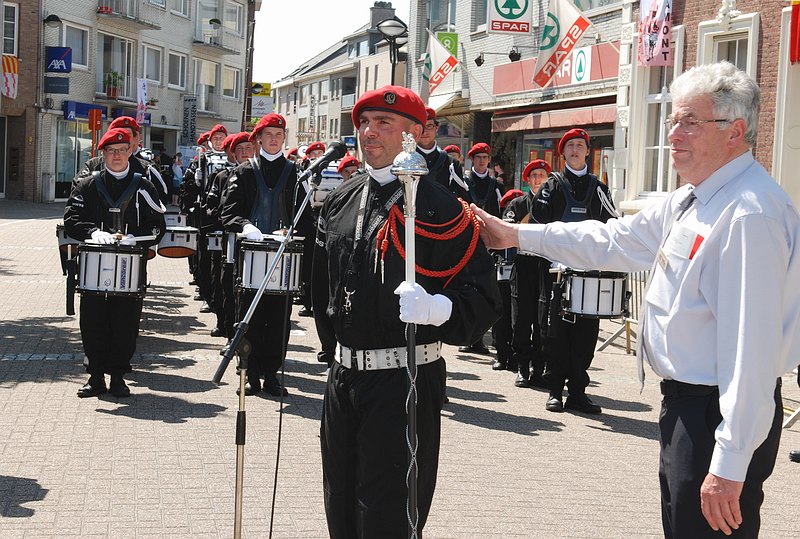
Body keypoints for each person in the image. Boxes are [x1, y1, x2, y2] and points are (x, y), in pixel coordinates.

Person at [472, 62, 799, 538]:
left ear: (736, 131)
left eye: (690, 121)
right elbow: (612, 241)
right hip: (688, 407)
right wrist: (515, 235)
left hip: (718, 415)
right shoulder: (693, 198)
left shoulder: (749, 214)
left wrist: (729, 462)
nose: (673, 133)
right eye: (671, 120)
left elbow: (752, 353)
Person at [312, 85, 501, 538]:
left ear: (414, 134)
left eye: (383, 123)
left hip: (404, 380)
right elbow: (322, 285)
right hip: (343, 376)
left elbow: (485, 300)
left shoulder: (442, 208)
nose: (368, 132)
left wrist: (438, 309)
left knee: (390, 516)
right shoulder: (340, 198)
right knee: (339, 506)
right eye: (364, 122)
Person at [64, 128, 166, 398]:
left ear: (130, 152)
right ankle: (95, 377)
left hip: (129, 269)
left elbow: (158, 228)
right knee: (93, 322)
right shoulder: (88, 184)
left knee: (125, 324)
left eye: (122, 150)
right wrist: (93, 233)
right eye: (111, 151)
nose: (117, 155)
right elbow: (71, 220)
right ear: (104, 154)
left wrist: (135, 237)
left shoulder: (144, 186)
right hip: (94, 268)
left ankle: (118, 377)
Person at [221, 113, 312, 396]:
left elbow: (306, 216)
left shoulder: (296, 174)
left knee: (279, 318)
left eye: (279, 135)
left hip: (283, 257)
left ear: (284, 138)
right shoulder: (244, 172)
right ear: (258, 139)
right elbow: (228, 212)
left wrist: (292, 230)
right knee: (250, 316)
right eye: (268, 135)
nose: (273, 140)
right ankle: (250, 373)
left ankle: (272, 373)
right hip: (251, 255)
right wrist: (246, 226)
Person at [529, 128, 617, 415]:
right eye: (571, 146)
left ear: (587, 152)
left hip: (588, 273)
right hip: (556, 272)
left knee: (586, 333)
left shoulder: (599, 187)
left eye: (581, 145)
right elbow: (539, 222)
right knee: (555, 332)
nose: (576, 150)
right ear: (563, 153)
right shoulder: (551, 186)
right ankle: (555, 390)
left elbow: (613, 223)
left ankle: (578, 392)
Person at [504, 159, 552, 389]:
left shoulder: (554, 203)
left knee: (543, 320)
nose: (537, 179)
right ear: (527, 180)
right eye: (534, 175)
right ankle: (522, 367)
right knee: (522, 318)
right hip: (523, 264)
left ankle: (539, 369)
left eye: (542, 175)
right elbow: (508, 230)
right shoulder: (518, 203)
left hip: (545, 265)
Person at [458, 142, 502, 355]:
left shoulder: (495, 185)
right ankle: (469, 336)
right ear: (472, 160)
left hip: (487, 242)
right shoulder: (464, 182)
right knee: (467, 288)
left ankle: (481, 338)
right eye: (478, 157)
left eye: (485, 157)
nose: (482, 161)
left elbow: (499, 212)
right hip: (467, 240)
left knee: (486, 289)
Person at [416, 107, 468, 199]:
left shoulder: (452, 163)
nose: (425, 132)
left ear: (436, 128)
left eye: (429, 126)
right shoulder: (405, 160)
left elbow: (461, 199)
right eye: (422, 127)